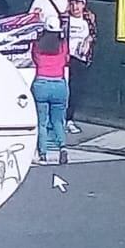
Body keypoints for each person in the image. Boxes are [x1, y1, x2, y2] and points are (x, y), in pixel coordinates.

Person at [30, 22, 70, 165]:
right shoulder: (63, 45)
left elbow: (34, 59)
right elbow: (66, 59)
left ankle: (43, 154)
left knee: (41, 122)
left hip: (41, 83)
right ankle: (62, 147)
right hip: (59, 84)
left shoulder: (37, 45)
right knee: (58, 121)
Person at [64, 0, 97, 135]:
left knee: (75, 90)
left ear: (83, 5)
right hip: (65, 58)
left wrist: (88, 41)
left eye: (78, 3)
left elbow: (93, 35)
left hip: (80, 59)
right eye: (72, 3)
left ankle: (69, 119)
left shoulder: (89, 20)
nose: (75, 7)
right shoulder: (64, 19)